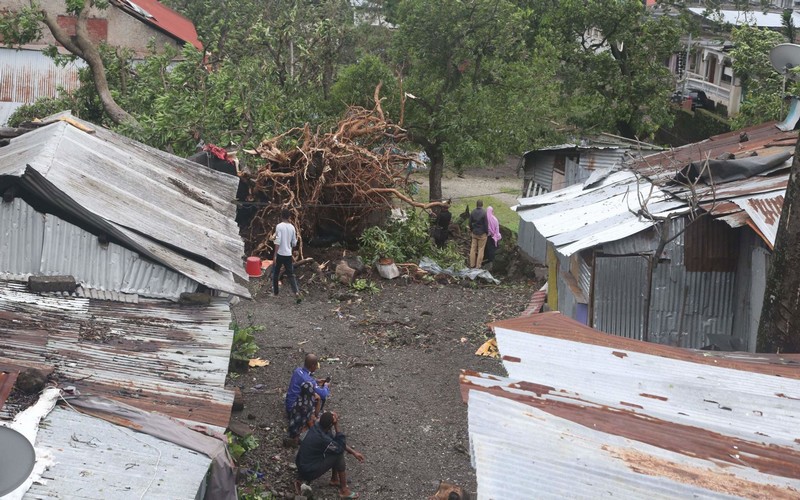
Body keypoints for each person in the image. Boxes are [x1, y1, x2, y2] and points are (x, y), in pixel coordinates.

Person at [295, 411, 365, 499]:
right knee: (338, 455)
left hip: (302, 464)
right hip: (308, 471)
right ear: (330, 425)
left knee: (334, 450)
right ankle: (344, 490)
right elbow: (339, 447)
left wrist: (354, 452)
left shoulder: (318, 426)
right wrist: (336, 426)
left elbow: (335, 443)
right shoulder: (322, 438)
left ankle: (334, 479)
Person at [286, 354, 330, 418]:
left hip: (289, 404)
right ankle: (317, 414)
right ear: (312, 366)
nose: (316, 367)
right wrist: (326, 386)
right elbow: (323, 394)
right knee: (319, 397)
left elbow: (302, 380)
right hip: (295, 411)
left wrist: (317, 381)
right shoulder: (309, 381)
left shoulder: (297, 370)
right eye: (316, 365)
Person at [273, 208, 302, 302]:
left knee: (276, 273)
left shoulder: (279, 226)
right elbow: (294, 243)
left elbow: (277, 241)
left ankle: (276, 293)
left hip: (280, 253)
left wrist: (275, 255)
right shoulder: (292, 227)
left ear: (281, 216)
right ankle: (296, 292)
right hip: (288, 254)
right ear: (289, 217)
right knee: (291, 275)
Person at [468, 200, 488, 268]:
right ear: (482, 205)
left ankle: (472, 264)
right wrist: (486, 232)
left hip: (474, 233)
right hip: (482, 234)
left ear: (476, 205)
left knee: (473, 249)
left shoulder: (473, 212)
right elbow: (486, 224)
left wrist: (471, 230)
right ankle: (478, 266)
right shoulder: (484, 213)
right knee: (481, 249)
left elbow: (470, 223)